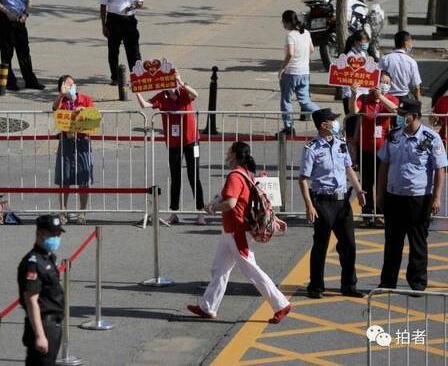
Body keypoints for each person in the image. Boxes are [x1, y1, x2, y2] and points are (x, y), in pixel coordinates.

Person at [186, 141, 291, 323]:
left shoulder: (235, 176)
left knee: (250, 269)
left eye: (229, 152)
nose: (226, 155)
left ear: (234, 154)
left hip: (236, 230)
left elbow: (231, 203)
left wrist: (212, 208)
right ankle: (208, 307)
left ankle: (281, 304)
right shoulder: (245, 173)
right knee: (219, 269)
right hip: (231, 231)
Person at [376, 99, 447, 291]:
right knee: (392, 242)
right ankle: (388, 281)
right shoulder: (393, 136)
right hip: (394, 196)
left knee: (417, 242)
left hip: (419, 197)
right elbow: (384, 165)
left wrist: (437, 197)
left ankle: (417, 282)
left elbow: (440, 169)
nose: (399, 117)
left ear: (413, 116)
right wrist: (379, 194)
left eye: (402, 114)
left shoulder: (431, 138)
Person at [299, 108, 366, 299]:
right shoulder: (311, 148)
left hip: (342, 200)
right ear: (323, 125)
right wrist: (309, 205)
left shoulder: (341, 144)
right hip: (323, 201)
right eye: (332, 121)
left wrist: (359, 189)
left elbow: (348, 168)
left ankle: (349, 285)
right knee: (321, 245)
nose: (336, 123)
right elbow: (303, 178)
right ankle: (316, 286)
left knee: (349, 244)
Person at [136, 74, 206, 225]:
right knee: (175, 178)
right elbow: (145, 105)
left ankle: (200, 212)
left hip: (192, 141)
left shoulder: (183, 91)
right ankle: (174, 212)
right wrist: (137, 91)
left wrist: (182, 82)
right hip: (174, 143)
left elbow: (195, 94)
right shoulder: (162, 96)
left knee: (194, 176)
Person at [348, 72, 399, 223]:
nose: (384, 84)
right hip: (366, 149)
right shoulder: (364, 99)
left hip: (384, 150)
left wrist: (381, 97)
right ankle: (367, 213)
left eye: (387, 82)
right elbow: (353, 111)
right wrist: (353, 93)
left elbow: (396, 110)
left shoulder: (390, 98)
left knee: (382, 182)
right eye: (381, 81)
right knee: (367, 182)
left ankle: (382, 213)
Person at [18, 215, 65, 366]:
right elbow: (32, 302)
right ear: (40, 234)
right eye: (53, 234)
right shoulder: (33, 263)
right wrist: (40, 335)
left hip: (53, 324)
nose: (57, 238)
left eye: (58, 234)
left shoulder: (48, 258)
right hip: (43, 325)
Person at [52, 75, 94, 225]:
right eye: (67, 85)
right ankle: (63, 212)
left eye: (72, 84)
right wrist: (61, 95)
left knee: (84, 179)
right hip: (66, 141)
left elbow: (94, 117)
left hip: (83, 140)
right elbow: (54, 109)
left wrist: (84, 111)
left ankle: (82, 212)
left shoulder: (85, 99)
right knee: (64, 178)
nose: (71, 87)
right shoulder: (62, 101)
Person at [100, 0, 143, 85]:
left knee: (134, 50)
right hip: (114, 20)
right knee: (113, 50)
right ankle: (115, 77)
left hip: (129, 20)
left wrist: (135, 5)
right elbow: (103, 6)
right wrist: (104, 25)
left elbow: (140, 1)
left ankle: (138, 77)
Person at [277, 10, 320, 135]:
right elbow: (311, 49)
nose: (283, 24)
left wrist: (282, 69)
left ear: (287, 22)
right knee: (305, 101)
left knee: (286, 100)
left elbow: (290, 53)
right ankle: (323, 115)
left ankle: (289, 127)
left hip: (291, 73)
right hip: (304, 72)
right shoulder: (306, 32)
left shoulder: (291, 35)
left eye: (283, 22)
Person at [379, 31, 422, 102]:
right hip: (404, 99)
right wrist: (418, 102)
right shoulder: (411, 62)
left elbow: (378, 79)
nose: (411, 44)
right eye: (410, 41)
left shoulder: (385, 59)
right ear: (406, 43)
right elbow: (416, 87)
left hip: (387, 98)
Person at [341, 31, 371, 115]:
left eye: (367, 42)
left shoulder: (362, 53)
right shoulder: (350, 56)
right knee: (352, 121)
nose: (365, 44)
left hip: (362, 93)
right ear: (356, 42)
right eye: (363, 42)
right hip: (351, 95)